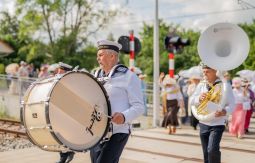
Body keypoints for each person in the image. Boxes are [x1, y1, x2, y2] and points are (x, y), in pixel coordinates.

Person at [90, 40, 144, 163]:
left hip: (118, 131)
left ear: (112, 56)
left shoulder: (129, 76)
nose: (97, 58)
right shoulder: (95, 76)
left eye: (101, 55)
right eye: (97, 55)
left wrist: (124, 116)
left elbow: (139, 106)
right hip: (97, 131)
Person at [190, 64, 235, 163]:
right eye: (204, 72)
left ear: (215, 71)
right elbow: (192, 100)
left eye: (207, 72)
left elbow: (232, 104)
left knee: (212, 150)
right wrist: (199, 98)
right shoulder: (201, 85)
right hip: (203, 122)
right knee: (206, 153)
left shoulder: (225, 85)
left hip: (217, 123)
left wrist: (225, 111)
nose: (205, 74)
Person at [50, 62, 75, 163]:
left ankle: (70, 152)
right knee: (58, 135)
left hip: (68, 113)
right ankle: (62, 156)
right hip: (57, 112)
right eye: (59, 71)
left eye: (61, 71)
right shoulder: (56, 80)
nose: (58, 73)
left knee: (67, 135)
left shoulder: (71, 82)